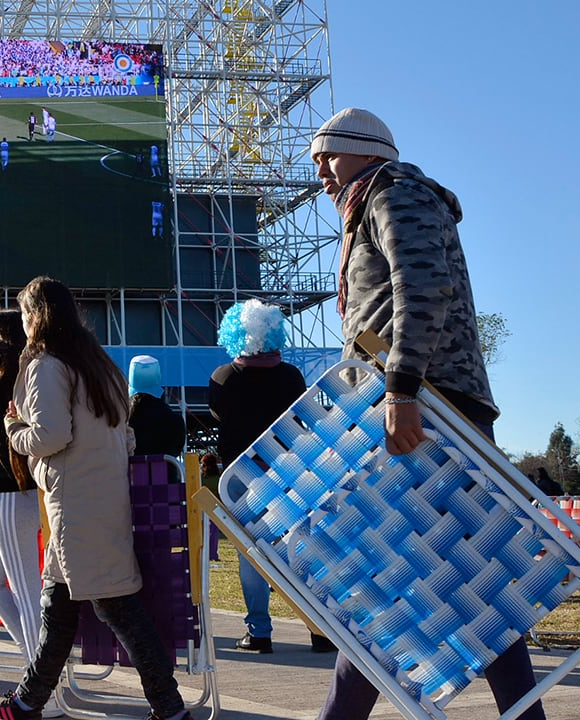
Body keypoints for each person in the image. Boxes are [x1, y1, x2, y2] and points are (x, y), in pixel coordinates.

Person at [311, 107, 544, 720]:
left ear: (365, 149)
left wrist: (400, 390)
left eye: (328, 156)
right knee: (453, 581)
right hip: (421, 404)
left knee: (407, 578)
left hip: (431, 408)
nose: (322, 173)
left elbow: (422, 288)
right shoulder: (373, 200)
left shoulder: (396, 192)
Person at [0, 276, 193, 720]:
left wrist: (13, 428)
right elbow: (125, 435)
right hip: (101, 498)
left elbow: (50, 436)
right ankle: (28, 702)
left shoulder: (46, 364)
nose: (24, 323)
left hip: (73, 503)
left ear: (35, 316)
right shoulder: (99, 363)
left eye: (26, 314)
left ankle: (171, 710)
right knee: (59, 612)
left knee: (119, 610)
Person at [209, 300, 330, 654]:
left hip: (241, 474)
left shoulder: (223, 377)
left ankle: (259, 632)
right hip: (288, 470)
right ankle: (319, 630)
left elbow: (217, 414)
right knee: (299, 546)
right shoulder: (291, 376)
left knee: (251, 551)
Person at [0, 309, 59, 716]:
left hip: (16, 488)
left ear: (6, 337)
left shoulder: (13, 371)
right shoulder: (15, 371)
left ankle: (41, 694)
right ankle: (35, 675)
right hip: (12, 488)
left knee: (26, 591)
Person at [127, 355, 185, 456]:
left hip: (127, 466)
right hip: (164, 466)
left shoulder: (120, 420)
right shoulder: (174, 420)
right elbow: (176, 450)